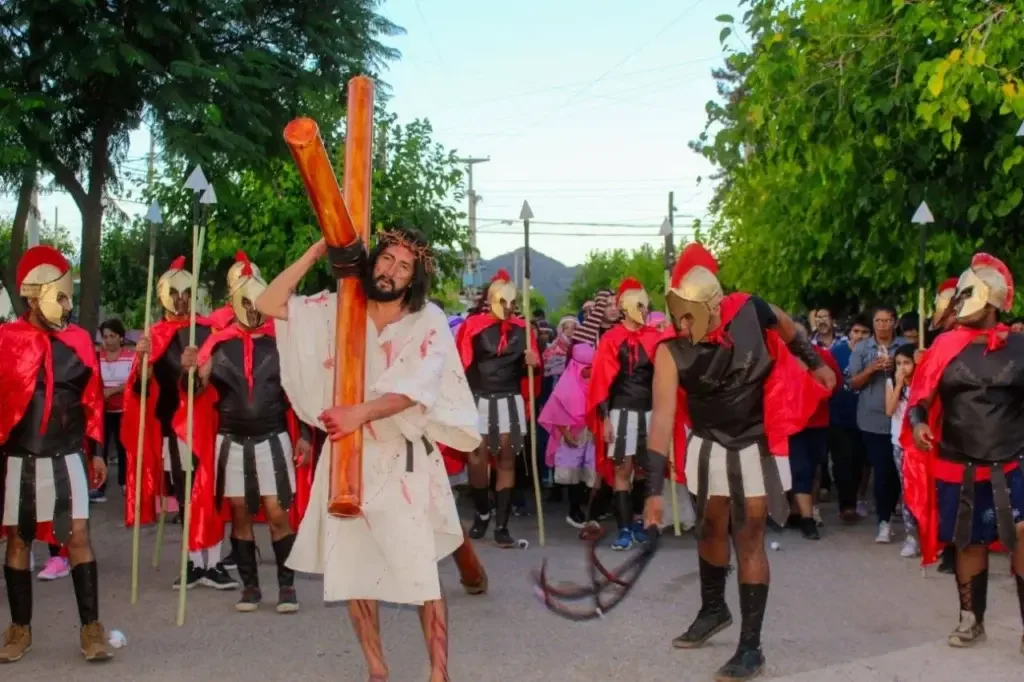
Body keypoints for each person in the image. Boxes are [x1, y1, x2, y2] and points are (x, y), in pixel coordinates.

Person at [257, 228, 481, 682]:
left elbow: (418, 388)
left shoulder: (428, 319)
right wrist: (317, 251)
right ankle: (376, 672)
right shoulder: (339, 309)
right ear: (372, 261)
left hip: (404, 459)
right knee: (354, 572)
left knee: (421, 574)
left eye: (404, 266)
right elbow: (267, 303)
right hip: (348, 458)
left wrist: (361, 411)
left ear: (413, 279)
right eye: (387, 259)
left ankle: (439, 674)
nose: (391, 270)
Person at [641, 243, 835, 681]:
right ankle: (714, 609)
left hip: (757, 442)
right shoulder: (670, 351)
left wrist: (813, 362)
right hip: (707, 442)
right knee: (710, 527)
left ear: (715, 304)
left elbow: (788, 329)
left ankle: (751, 648)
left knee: (748, 537)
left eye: (691, 312)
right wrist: (653, 491)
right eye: (677, 312)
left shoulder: (751, 308)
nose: (682, 322)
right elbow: (662, 420)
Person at [902, 253, 1024, 653]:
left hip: (1013, 461)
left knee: (1023, 539)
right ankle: (972, 620)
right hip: (959, 463)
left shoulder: (1019, 345)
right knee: (968, 541)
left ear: (990, 301)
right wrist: (919, 422)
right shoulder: (944, 347)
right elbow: (922, 398)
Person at [181, 251, 313, 613]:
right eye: (247, 301)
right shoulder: (218, 343)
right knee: (239, 514)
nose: (254, 308)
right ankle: (250, 587)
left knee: (276, 513)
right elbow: (194, 393)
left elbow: (296, 393)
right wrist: (190, 370)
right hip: (231, 442)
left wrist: (304, 434)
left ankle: (287, 587)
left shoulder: (281, 339)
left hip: (273, 437)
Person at [0, 245, 112, 663]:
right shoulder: (6, 342)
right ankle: (19, 630)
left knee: (78, 537)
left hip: (67, 456)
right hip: (19, 459)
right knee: (18, 540)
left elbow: (93, 400)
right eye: (60, 296)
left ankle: (91, 629)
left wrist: (97, 452)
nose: (67, 305)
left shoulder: (79, 340)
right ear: (34, 297)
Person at [121, 255, 236, 590]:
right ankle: (191, 561)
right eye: (174, 292)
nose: (181, 298)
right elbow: (141, 392)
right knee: (186, 492)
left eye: (186, 292)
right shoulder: (153, 335)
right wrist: (142, 362)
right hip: (172, 427)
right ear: (163, 295)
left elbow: (220, 377)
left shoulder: (208, 330)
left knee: (210, 491)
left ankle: (212, 562)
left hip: (208, 421)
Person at [455, 269, 541, 547]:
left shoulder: (525, 330)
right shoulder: (473, 326)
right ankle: (482, 513)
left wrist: (533, 363)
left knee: (506, 460)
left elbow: (533, 375)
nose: (508, 307)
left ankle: (502, 525)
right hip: (478, 400)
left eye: (512, 302)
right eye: (502, 301)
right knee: (477, 458)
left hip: (511, 401)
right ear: (491, 299)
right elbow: (461, 365)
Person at [587, 278, 662, 550]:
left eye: (647, 306)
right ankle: (624, 528)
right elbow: (601, 382)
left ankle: (641, 523)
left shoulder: (656, 338)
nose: (645, 310)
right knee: (623, 469)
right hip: (620, 412)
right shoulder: (611, 338)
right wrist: (605, 417)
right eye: (640, 305)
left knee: (644, 470)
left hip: (650, 412)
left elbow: (668, 375)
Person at [848, 305, 906, 543]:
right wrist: (872, 368)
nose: (882, 325)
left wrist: (899, 368)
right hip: (872, 418)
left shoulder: (903, 346)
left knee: (896, 472)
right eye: (878, 321)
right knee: (882, 470)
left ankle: (895, 511)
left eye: (887, 320)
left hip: (900, 418)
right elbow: (853, 383)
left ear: (894, 322)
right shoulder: (862, 348)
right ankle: (884, 520)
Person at [787, 320, 841, 540]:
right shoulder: (780, 358)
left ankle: (800, 511)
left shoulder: (823, 357)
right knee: (800, 469)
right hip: (791, 424)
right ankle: (807, 518)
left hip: (818, 422)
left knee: (815, 468)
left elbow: (835, 384)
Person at [539, 343, 596, 527]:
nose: (590, 371)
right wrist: (565, 432)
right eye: (587, 367)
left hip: (592, 434)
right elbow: (556, 411)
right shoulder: (565, 385)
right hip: (571, 434)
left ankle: (592, 510)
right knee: (573, 474)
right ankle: (574, 510)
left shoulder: (598, 383)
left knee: (591, 473)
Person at [827, 316, 870, 521]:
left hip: (866, 416)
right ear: (849, 333)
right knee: (842, 461)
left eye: (864, 333)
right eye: (856, 332)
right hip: (840, 416)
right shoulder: (836, 353)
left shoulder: (874, 353)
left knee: (860, 462)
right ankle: (846, 505)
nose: (859, 336)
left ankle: (858, 498)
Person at [885, 343, 919, 558]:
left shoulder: (923, 383)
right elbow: (889, 410)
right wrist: (898, 385)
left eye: (907, 363)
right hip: (900, 442)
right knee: (907, 490)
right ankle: (911, 536)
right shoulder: (890, 381)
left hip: (921, 443)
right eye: (898, 363)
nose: (902, 367)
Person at [94, 318, 133, 503]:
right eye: (105, 336)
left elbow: (134, 381)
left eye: (112, 336)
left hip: (124, 410)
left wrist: (113, 390)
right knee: (99, 449)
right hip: (102, 411)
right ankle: (98, 487)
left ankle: (125, 485)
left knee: (123, 447)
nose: (109, 340)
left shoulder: (130, 357)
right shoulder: (96, 358)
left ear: (121, 337)